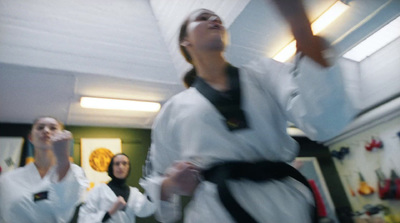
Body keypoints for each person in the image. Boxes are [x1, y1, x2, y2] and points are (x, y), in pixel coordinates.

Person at [141, 1, 357, 222]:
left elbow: (326, 121)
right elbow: (157, 189)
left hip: (288, 207)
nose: (214, 20)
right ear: (185, 41)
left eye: (217, 18)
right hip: (218, 213)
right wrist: (170, 185)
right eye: (203, 17)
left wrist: (302, 30)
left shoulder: (264, 74)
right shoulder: (173, 110)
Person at [0, 116, 89, 223]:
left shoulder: (74, 172)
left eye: (53, 128)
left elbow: (68, 201)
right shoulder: (8, 180)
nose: (46, 131)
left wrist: (63, 159)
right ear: (31, 138)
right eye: (40, 128)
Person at [78, 153, 156, 223]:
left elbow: (144, 210)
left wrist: (151, 186)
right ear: (112, 167)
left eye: (124, 163)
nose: (121, 167)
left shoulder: (134, 193)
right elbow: (84, 218)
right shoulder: (99, 191)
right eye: (117, 164)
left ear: (128, 167)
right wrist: (111, 211)